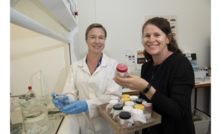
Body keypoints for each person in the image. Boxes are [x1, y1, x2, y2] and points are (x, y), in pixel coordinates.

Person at [113, 17, 195, 134]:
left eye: (157, 35)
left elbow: (178, 112)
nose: (151, 40)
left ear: (168, 38)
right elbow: (147, 104)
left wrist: (146, 87)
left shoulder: (180, 64)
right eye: (147, 36)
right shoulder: (146, 67)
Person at [52, 23, 121, 134]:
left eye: (101, 38)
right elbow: (71, 93)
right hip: (85, 125)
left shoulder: (113, 65)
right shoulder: (75, 67)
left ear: (104, 40)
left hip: (108, 125)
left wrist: (87, 105)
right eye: (93, 37)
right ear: (86, 40)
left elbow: (114, 97)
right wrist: (66, 100)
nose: (97, 41)